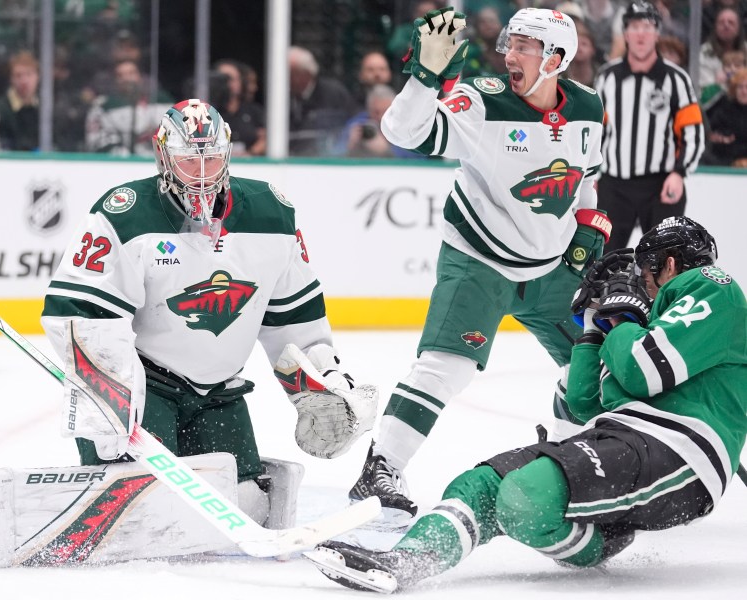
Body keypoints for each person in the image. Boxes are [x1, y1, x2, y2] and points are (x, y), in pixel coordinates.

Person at [0, 99, 379, 568]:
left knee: (248, 501)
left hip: (218, 391)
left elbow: (293, 318)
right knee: (138, 503)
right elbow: (80, 310)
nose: (201, 173)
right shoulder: (126, 213)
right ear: (164, 157)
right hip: (145, 386)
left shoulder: (272, 215)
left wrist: (319, 385)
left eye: (211, 159)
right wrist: (110, 392)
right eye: (188, 160)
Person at [306, 216, 746, 593]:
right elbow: (585, 401)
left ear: (669, 265)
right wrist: (595, 324)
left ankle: (603, 535)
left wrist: (625, 320)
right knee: (479, 484)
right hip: (629, 439)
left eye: (645, 276)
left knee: (525, 497)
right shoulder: (660, 324)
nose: (642, 287)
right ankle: (405, 562)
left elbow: (640, 371)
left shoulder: (713, 287)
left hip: (682, 452)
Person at [348, 6, 609, 520]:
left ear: (556, 58)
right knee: (446, 368)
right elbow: (403, 132)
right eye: (508, 43)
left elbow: (586, 180)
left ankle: (574, 461)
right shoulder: (482, 102)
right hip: (479, 261)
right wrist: (425, 78)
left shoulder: (588, 107)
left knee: (590, 366)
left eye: (523, 47)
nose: (508, 54)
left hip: (552, 267)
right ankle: (380, 468)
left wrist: (588, 228)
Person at [595, 1, 704, 253]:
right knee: (603, 258)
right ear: (625, 33)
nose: (641, 33)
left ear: (657, 33)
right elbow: (595, 131)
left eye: (647, 26)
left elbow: (692, 132)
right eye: (634, 26)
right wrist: (592, 174)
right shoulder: (606, 77)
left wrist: (679, 173)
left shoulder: (676, 79)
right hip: (614, 185)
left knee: (664, 259)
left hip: (660, 184)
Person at [84, 59, 167, 156]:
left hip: (155, 162)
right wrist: (123, 156)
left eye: (131, 73)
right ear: (114, 80)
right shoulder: (102, 106)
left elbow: (175, 136)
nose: (126, 79)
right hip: (118, 165)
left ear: (140, 76)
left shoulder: (161, 101)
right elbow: (96, 140)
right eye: (120, 75)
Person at [288, 45, 358, 156]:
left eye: (291, 73)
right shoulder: (282, 98)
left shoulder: (334, 94)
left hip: (327, 161)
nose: (286, 78)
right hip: (294, 161)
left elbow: (354, 123)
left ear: (306, 74)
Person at [0, 50, 40, 151]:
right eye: (18, 75)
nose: (24, 81)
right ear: (11, 79)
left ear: (37, 77)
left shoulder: (44, 108)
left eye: (29, 74)